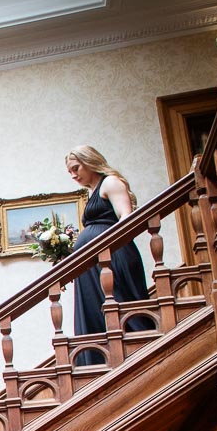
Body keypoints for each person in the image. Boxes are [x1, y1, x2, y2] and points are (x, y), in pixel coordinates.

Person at [65, 145, 155, 366]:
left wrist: (103, 245)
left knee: (121, 302)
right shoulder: (94, 190)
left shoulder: (111, 182)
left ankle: (142, 353)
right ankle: (99, 358)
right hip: (95, 262)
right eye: (70, 172)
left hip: (113, 256)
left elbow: (126, 217)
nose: (74, 175)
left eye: (76, 168)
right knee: (97, 309)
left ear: (90, 161)